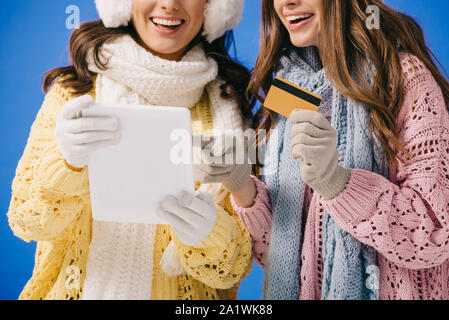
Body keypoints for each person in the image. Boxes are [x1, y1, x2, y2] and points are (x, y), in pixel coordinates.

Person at [7, 0, 255, 300]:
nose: (169, 4)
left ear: (214, 6)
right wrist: (66, 162)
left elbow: (235, 267)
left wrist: (209, 233)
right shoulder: (75, 92)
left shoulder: (230, 110)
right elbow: (27, 220)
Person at [228, 0, 449, 300]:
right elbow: (289, 260)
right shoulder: (288, 88)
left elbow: (434, 233)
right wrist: (243, 189)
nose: (287, 3)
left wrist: (337, 183)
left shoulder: (403, 77)